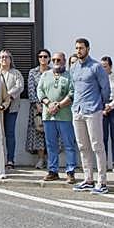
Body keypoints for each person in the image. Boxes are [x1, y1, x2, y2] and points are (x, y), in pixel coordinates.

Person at [69, 39, 110, 194]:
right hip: (77, 110)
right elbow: (73, 88)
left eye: (81, 48)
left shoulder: (96, 67)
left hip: (93, 110)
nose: (79, 50)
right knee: (82, 146)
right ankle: (88, 179)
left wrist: (101, 104)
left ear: (88, 49)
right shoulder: (73, 67)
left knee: (97, 146)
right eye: (77, 48)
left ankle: (102, 182)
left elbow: (105, 88)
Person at [37, 52, 78, 182]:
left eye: (58, 60)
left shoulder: (69, 76)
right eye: (54, 60)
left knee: (69, 145)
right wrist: (48, 104)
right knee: (51, 145)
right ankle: (52, 171)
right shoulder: (45, 75)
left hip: (65, 116)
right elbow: (40, 91)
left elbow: (72, 93)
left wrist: (59, 106)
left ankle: (70, 171)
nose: (56, 62)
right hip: (48, 116)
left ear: (64, 61)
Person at [0, 51, 24, 171]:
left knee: (10, 133)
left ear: (10, 59)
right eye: (1, 57)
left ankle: (10, 160)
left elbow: (19, 86)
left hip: (12, 107)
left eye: (6, 57)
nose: (4, 59)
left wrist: (8, 96)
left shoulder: (16, 73)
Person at [26, 50, 51, 168]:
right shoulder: (33, 72)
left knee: (51, 132)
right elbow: (31, 89)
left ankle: (51, 159)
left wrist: (50, 104)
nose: (43, 59)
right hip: (37, 107)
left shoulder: (52, 72)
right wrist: (37, 104)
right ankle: (41, 159)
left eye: (45, 56)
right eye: (40, 56)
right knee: (39, 132)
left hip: (51, 107)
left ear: (49, 58)